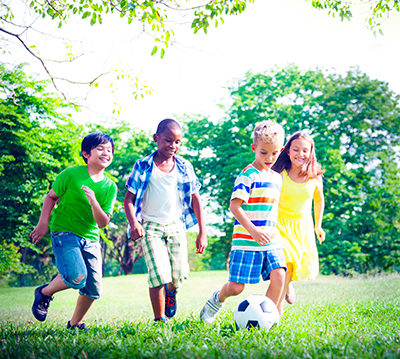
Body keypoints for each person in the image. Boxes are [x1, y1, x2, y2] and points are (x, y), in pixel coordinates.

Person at [200, 120, 287, 324]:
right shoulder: (247, 175)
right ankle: (214, 302)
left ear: (280, 150)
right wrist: (254, 231)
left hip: (271, 239)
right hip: (246, 240)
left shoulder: (277, 178)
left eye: (274, 153)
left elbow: (272, 210)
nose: (269, 158)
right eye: (263, 152)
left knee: (280, 276)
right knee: (236, 288)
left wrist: (273, 232)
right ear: (254, 148)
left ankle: (267, 320)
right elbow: (234, 206)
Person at [30, 132, 117, 330]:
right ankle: (44, 292)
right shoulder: (71, 175)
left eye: (110, 150)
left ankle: (74, 324)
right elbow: (50, 197)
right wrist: (43, 223)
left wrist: (94, 201)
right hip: (64, 232)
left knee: (93, 289)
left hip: (91, 239)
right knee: (77, 277)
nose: (106, 153)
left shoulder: (110, 186)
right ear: (86, 153)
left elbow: (103, 222)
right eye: (100, 148)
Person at [124, 118, 207, 322]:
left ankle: (172, 292)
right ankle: (159, 318)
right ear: (156, 139)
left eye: (178, 142)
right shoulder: (143, 166)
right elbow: (129, 199)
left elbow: (196, 198)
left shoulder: (184, 166)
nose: (173, 146)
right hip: (149, 227)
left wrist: (202, 232)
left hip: (176, 224)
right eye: (168, 140)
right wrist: (134, 223)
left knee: (178, 275)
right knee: (159, 274)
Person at [271, 130, 326, 314]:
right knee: (285, 262)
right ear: (287, 151)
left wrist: (318, 225)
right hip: (279, 224)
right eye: (295, 149)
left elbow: (319, 200)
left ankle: (288, 285)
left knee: (294, 263)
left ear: (311, 152)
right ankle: (276, 313)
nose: (300, 154)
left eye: (305, 150)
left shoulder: (315, 176)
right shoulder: (279, 173)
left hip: (302, 226)